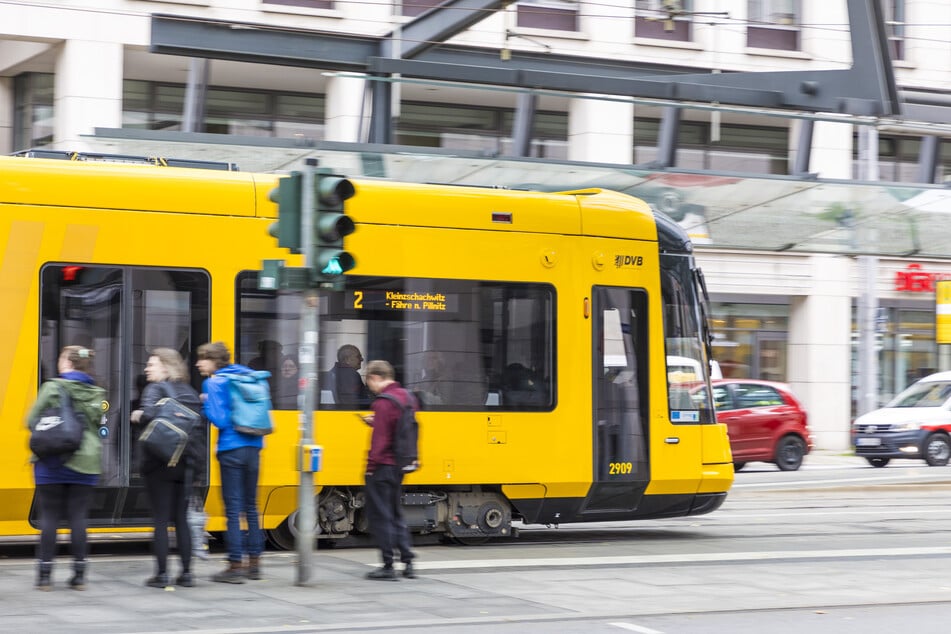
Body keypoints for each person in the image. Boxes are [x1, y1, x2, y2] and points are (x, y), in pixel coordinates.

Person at [26, 345, 106, 591]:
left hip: (53, 460)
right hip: (87, 462)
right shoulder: (98, 393)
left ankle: (44, 576)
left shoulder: (52, 387)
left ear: (67, 363)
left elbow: (31, 421)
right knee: (78, 518)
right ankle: (79, 576)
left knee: (49, 517)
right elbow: (103, 429)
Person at [131, 348, 204, 589]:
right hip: (186, 463)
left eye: (152, 364)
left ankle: (162, 575)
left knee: (161, 519)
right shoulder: (191, 392)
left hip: (159, 462)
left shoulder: (155, 389)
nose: (147, 369)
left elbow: (149, 415)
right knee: (181, 519)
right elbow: (199, 430)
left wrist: (137, 415)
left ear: (165, 366)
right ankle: (187, 574)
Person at [195, 341, 265, 584]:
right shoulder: (248, 376)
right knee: (252, 506)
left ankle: (235, 566)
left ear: (214, 361)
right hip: (254, 447)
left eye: (202, 359)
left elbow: (221, 420)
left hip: (231, 449)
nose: (198, 363)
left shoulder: (214, 382)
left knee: (233, 510)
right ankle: (255, 564)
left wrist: (205, 403)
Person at [362, 360, 417, 581]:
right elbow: (399, 428)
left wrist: (370, 467)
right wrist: (378, 422)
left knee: (381, 516)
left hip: (382, 467)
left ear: (375, 377)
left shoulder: (382, 403)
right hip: (400, 464)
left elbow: (381, 442)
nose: (369, 386)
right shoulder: (407, 397)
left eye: (368, 381)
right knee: (396, 513)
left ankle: (387, 566)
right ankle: (408, 562)